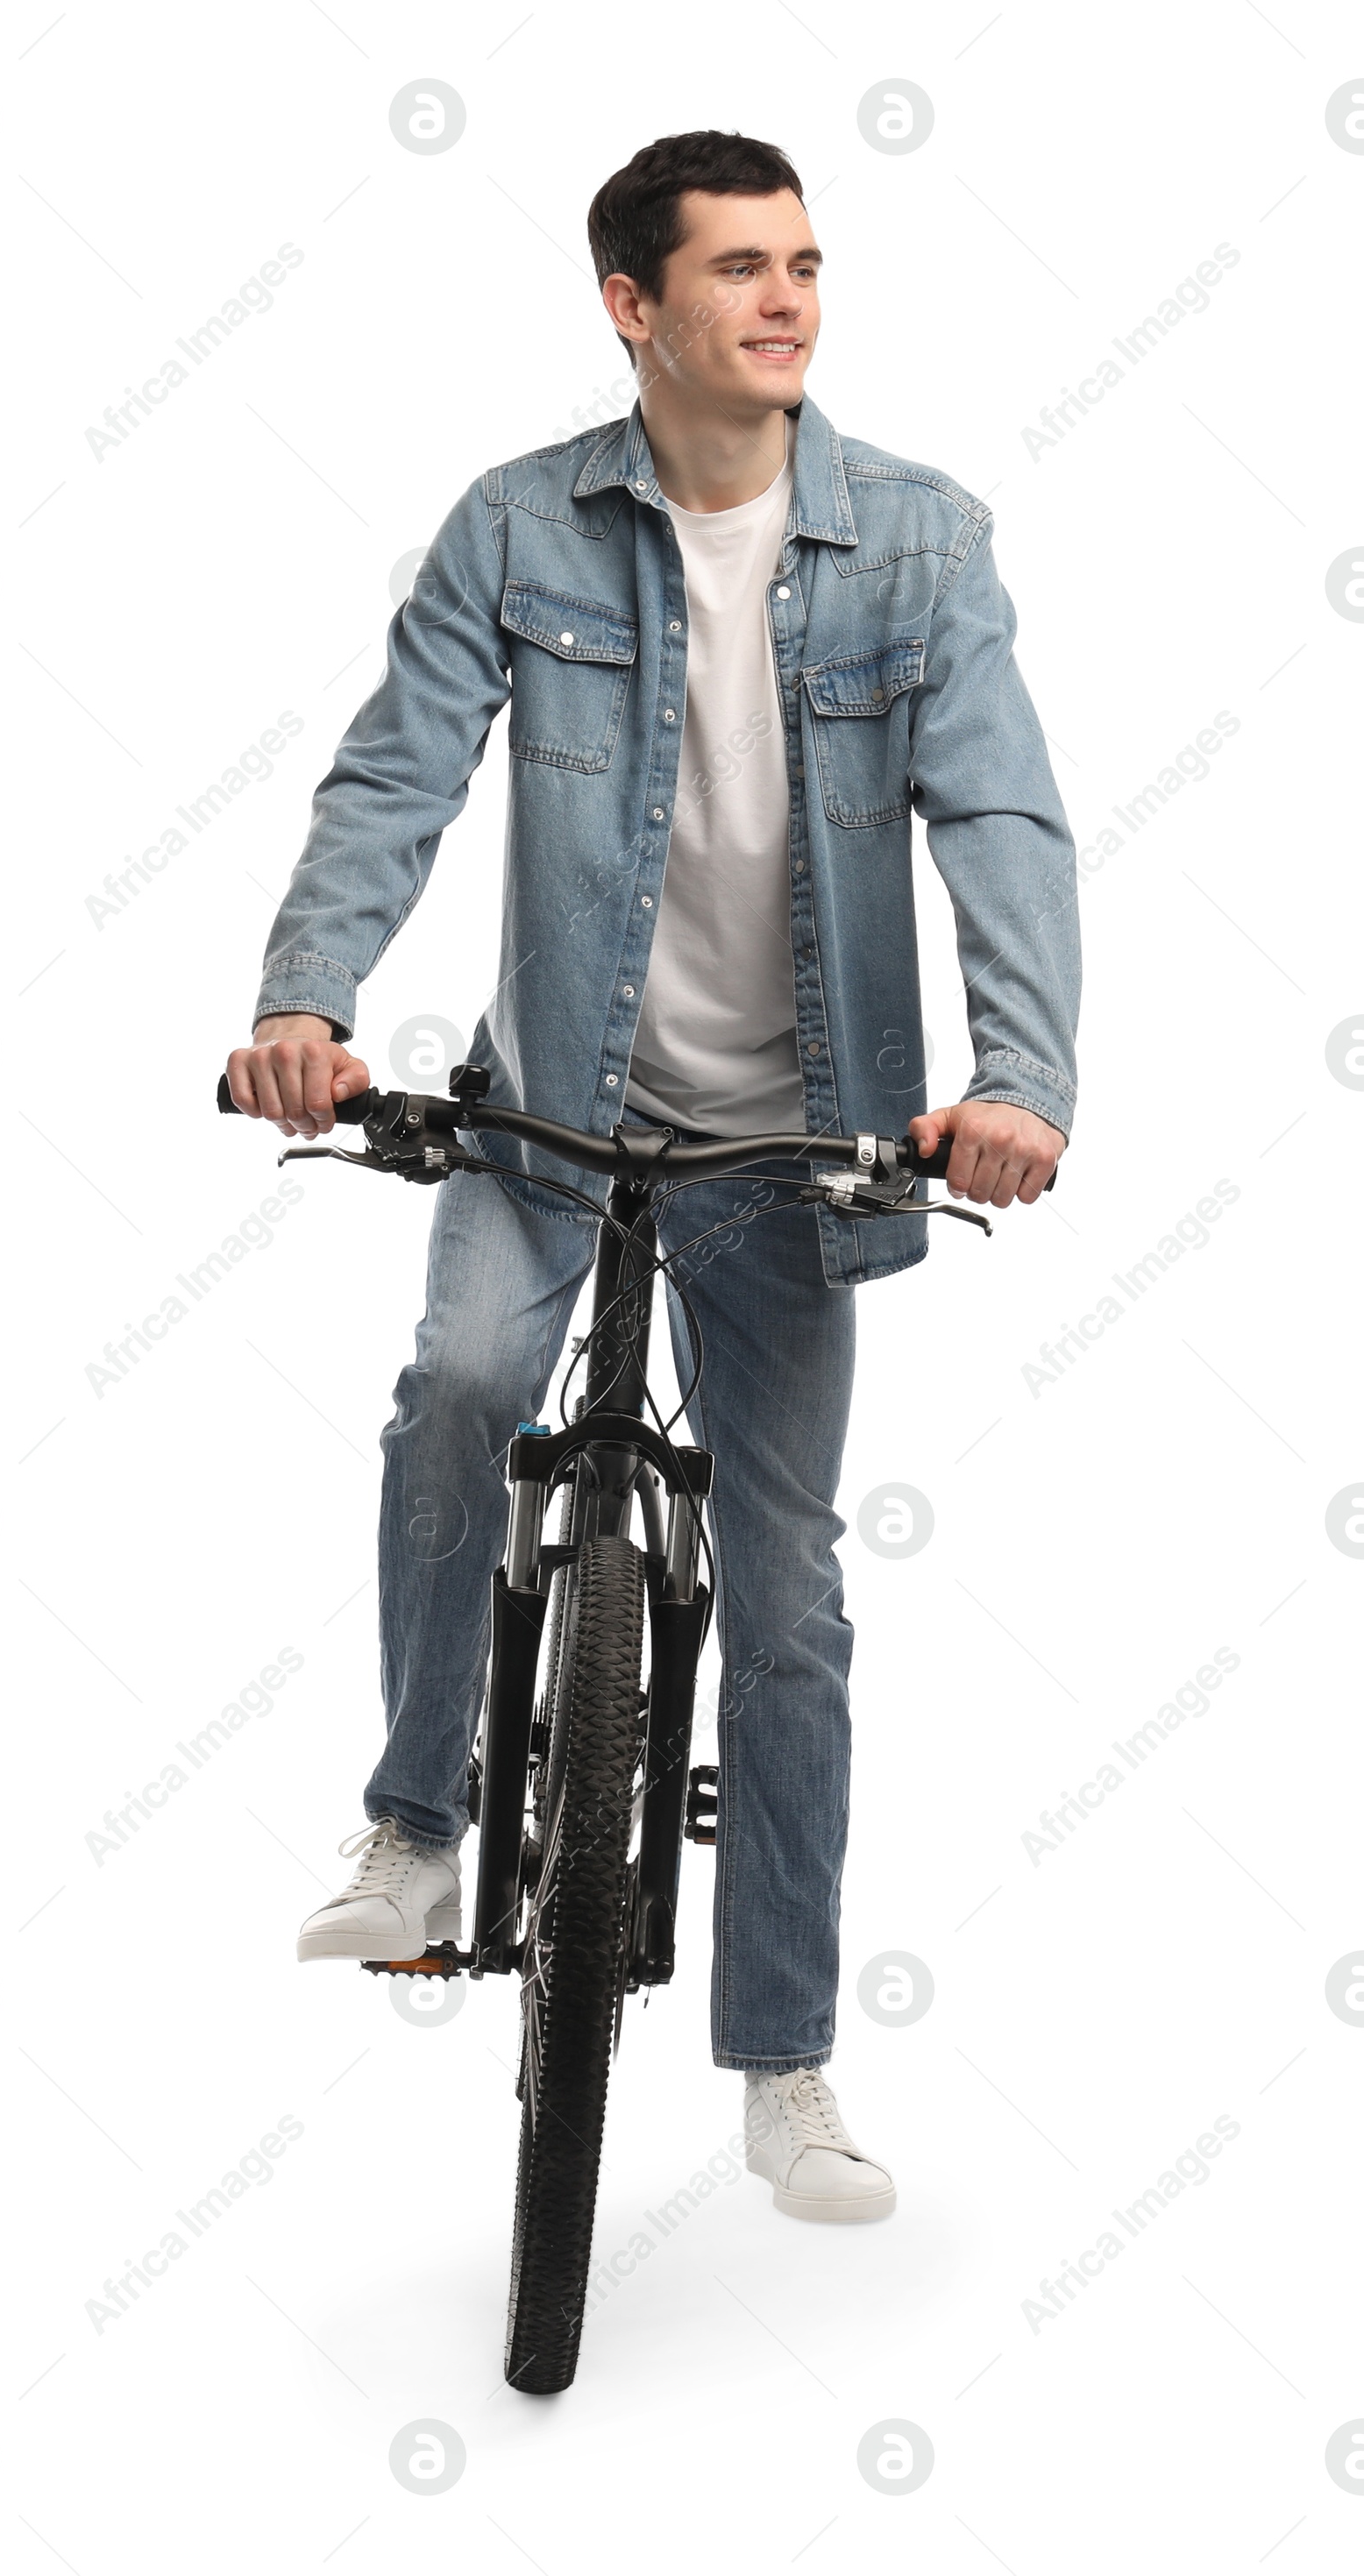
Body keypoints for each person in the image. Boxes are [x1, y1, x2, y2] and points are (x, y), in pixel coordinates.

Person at [224, 129, 1079, 2224]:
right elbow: (396, 774)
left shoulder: (918, 542)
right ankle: (421, 1822)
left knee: (783, 1604)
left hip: (796, 1151)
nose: (784, 300)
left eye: (803, 263)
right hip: (551, 1118)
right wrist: (306, 1004)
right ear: (633, 304)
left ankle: (783, 2063)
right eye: (737, 270)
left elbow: (1000, 822)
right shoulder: (518, 528)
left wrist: (1017, 1080)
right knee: (452, 1392)